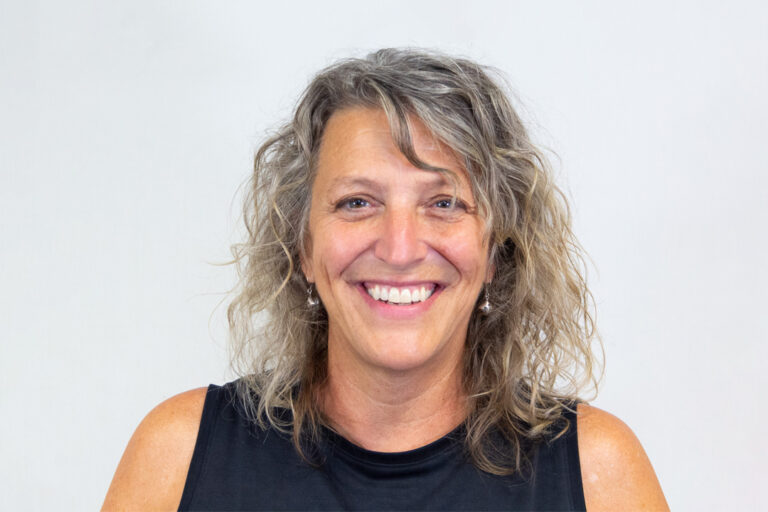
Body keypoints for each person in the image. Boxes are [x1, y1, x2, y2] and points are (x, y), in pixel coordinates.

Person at [102, 48, 669, 511]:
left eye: (444, 202)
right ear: (301, 245)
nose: (400, 249)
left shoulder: (599, 474)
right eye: (356, 203)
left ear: (496, 250)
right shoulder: (177, 458)